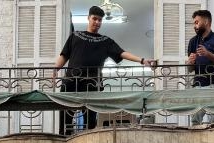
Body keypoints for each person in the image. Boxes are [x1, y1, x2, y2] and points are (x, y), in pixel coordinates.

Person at [54, 6, 156, 134]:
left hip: (92, 85)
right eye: (94, 19)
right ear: (88, 18)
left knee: (90, 121)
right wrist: (54, 70)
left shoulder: (105, 41)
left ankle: (88, 142)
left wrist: (141, 60)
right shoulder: (75, 36)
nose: (97, 22)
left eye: (100, 20)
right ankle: (64, 139)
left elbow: (122, 53)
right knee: (65, 118)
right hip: (71, 83)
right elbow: (64, 56)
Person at [187, 10, 214, 125]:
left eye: (197, 22)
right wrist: (190, 62)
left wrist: (207, 53)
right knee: (195, 118)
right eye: (194, 23)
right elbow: (190, 70)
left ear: (206, 21)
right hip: (198, 84)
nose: (195, 26)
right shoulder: (192, 41)